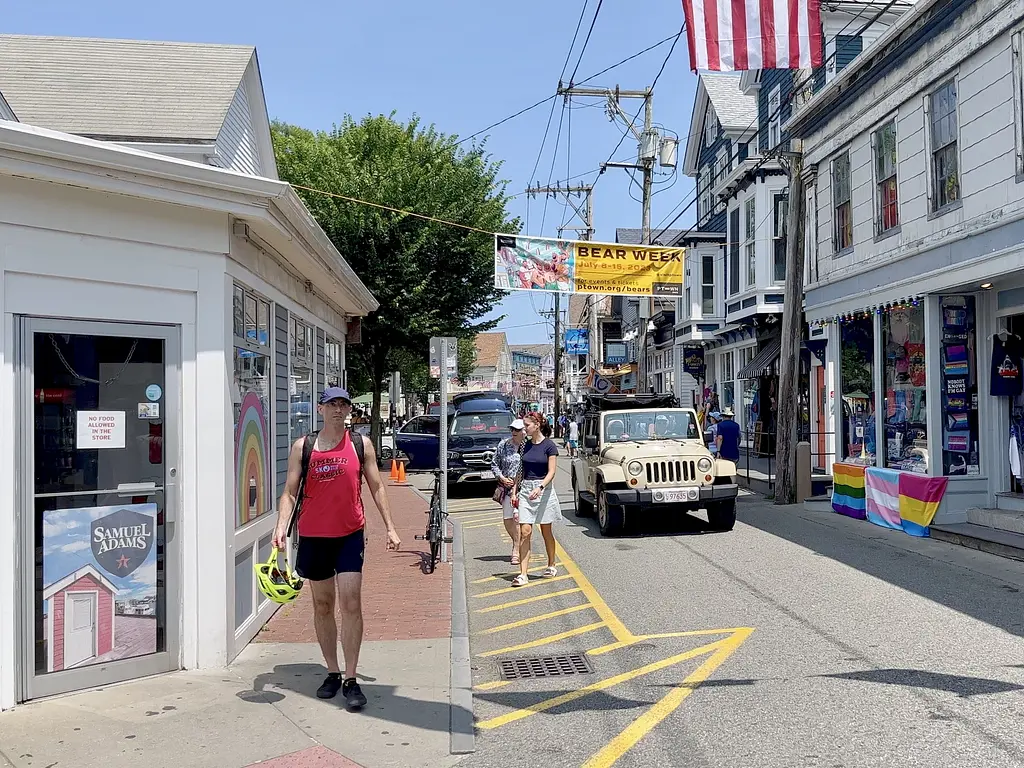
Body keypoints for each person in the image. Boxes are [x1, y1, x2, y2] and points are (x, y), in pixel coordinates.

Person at [273, 387, 402, 709]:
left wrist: (390, 526)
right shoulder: (303, 447)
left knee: (351, 602)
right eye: (332, 404)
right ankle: (332, 671)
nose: (338, 410)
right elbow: (289, 492)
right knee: (322, 605)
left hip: (349, 534)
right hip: (314, 535)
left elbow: (376, 485)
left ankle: (351, 677)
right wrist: (279, 527)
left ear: (349, 411)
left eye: (343, 405)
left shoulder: (360, 445)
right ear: (320, 409)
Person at [513, 412, 561, 587]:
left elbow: (552, 471)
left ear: (537, 425)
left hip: (544, 489)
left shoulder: (549, 446)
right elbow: (520, 470)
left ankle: (551, 564)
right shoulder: (524, 445)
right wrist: (514, 490)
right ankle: (523, 574)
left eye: (527, 426)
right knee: (525, 531)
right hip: (526, 489)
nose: (524, 429)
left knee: (546, 530)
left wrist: (540, 487)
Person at [490, 419, 527, 564]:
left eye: (517, 430)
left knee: (518, 519)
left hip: (523, 487)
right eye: (512, 429)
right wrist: (502, 477)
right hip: (506, 486)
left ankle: (516, 550)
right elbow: (494, 464)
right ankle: (518, 543)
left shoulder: (529, 446)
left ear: (524, 431)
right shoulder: (503, 445)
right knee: (507, 519)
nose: (514, 432)